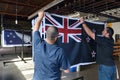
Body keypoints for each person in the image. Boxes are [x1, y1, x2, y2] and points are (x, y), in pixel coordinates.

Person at [33, 11, 70, 80]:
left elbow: (36, 28)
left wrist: (40, 17)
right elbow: (66, 70)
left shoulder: (37, 43)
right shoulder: (60, 51)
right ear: (56, 37)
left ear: (46, 34)